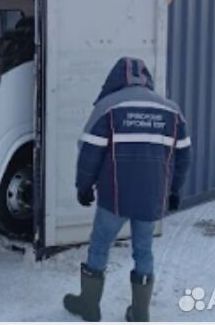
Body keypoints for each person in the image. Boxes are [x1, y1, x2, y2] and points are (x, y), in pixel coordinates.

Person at [63, 57, 192, 322]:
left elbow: (89, 152)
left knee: (100, 244)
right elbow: (183, 156)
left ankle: (89, 306)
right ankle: (140, 311)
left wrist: (83, 186)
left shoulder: (108, 107)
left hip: (114, 196)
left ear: (115, 79)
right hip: (151, 196)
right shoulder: (172, 111)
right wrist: (175, 190)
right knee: (143, 250)